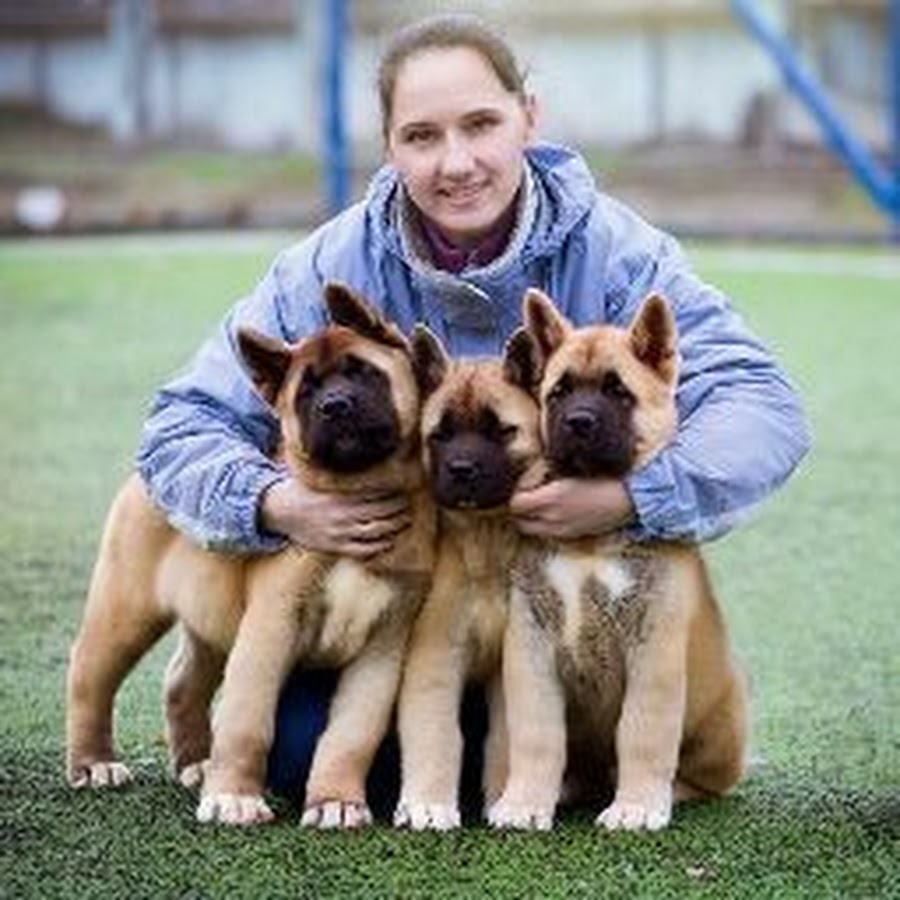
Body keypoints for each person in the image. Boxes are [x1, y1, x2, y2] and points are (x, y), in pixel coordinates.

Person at [136, 14, 810, 812]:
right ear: (388, 146)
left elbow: (762, 405)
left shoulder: (621, 255)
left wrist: (634, 497)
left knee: (521, 751)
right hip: (395, 610)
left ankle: (567, 761)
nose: (456, 163)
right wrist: (277, 503)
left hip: (561, 615)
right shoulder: (328, 264)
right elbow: (179, 427)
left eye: (481, 125)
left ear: (530, 115)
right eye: (421, 136)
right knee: (303, 757)